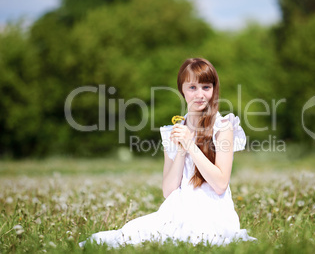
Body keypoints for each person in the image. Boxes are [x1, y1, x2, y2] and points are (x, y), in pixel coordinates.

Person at [79, 58, 256, 248]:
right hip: (177, 210)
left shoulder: (223, 127)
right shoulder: (174, 131)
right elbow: (169, 190)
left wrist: (190, 145)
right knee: (131, 235)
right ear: (182, 90)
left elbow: (220, 184)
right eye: (192, 88)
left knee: (197, 238)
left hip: (213, 212)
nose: (200, 94)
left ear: (214, 89)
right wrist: (181, 147)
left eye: (206, 87)